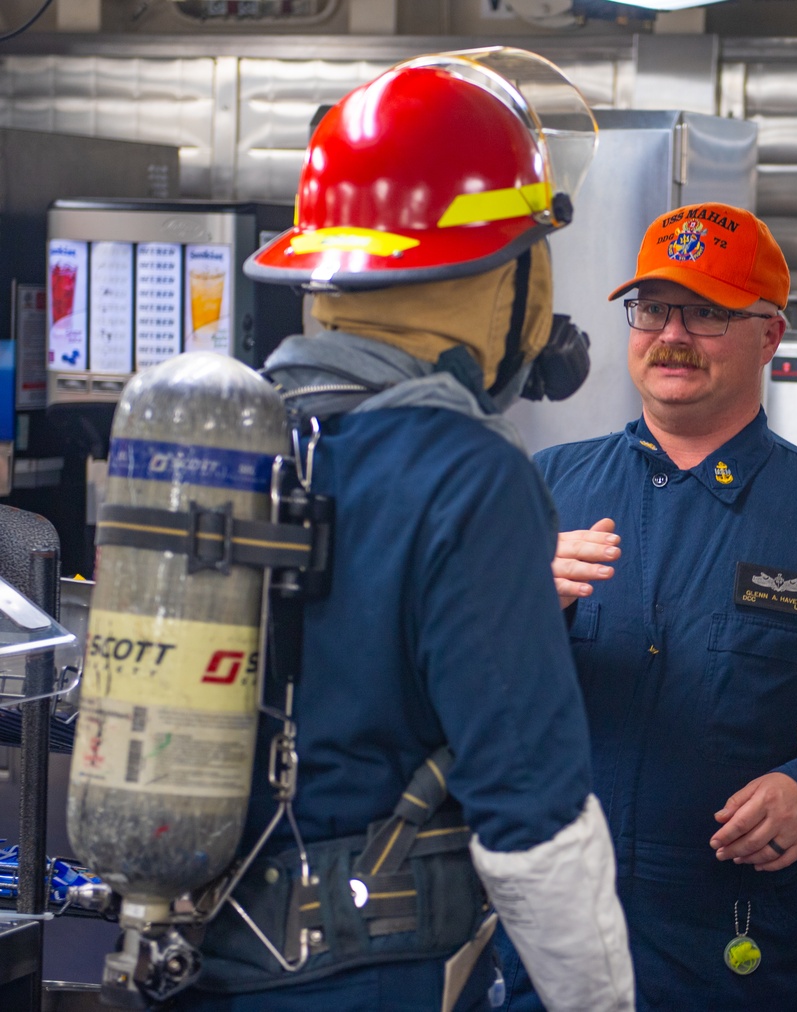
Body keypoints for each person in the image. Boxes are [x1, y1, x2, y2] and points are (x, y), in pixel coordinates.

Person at [178, 50, 634, 1012]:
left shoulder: (229, 437)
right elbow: (537, 823)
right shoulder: (470, 472)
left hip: (203, 966)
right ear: (502, 282)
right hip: (363, 979)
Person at [499, 202, 797, 1010]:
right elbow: (442, 695)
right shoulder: (545, 490)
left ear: (770, 335)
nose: (671, 334)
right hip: (548, 949)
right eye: (653, 309)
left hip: (732, 958)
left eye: (707, 312)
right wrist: (516, 612)